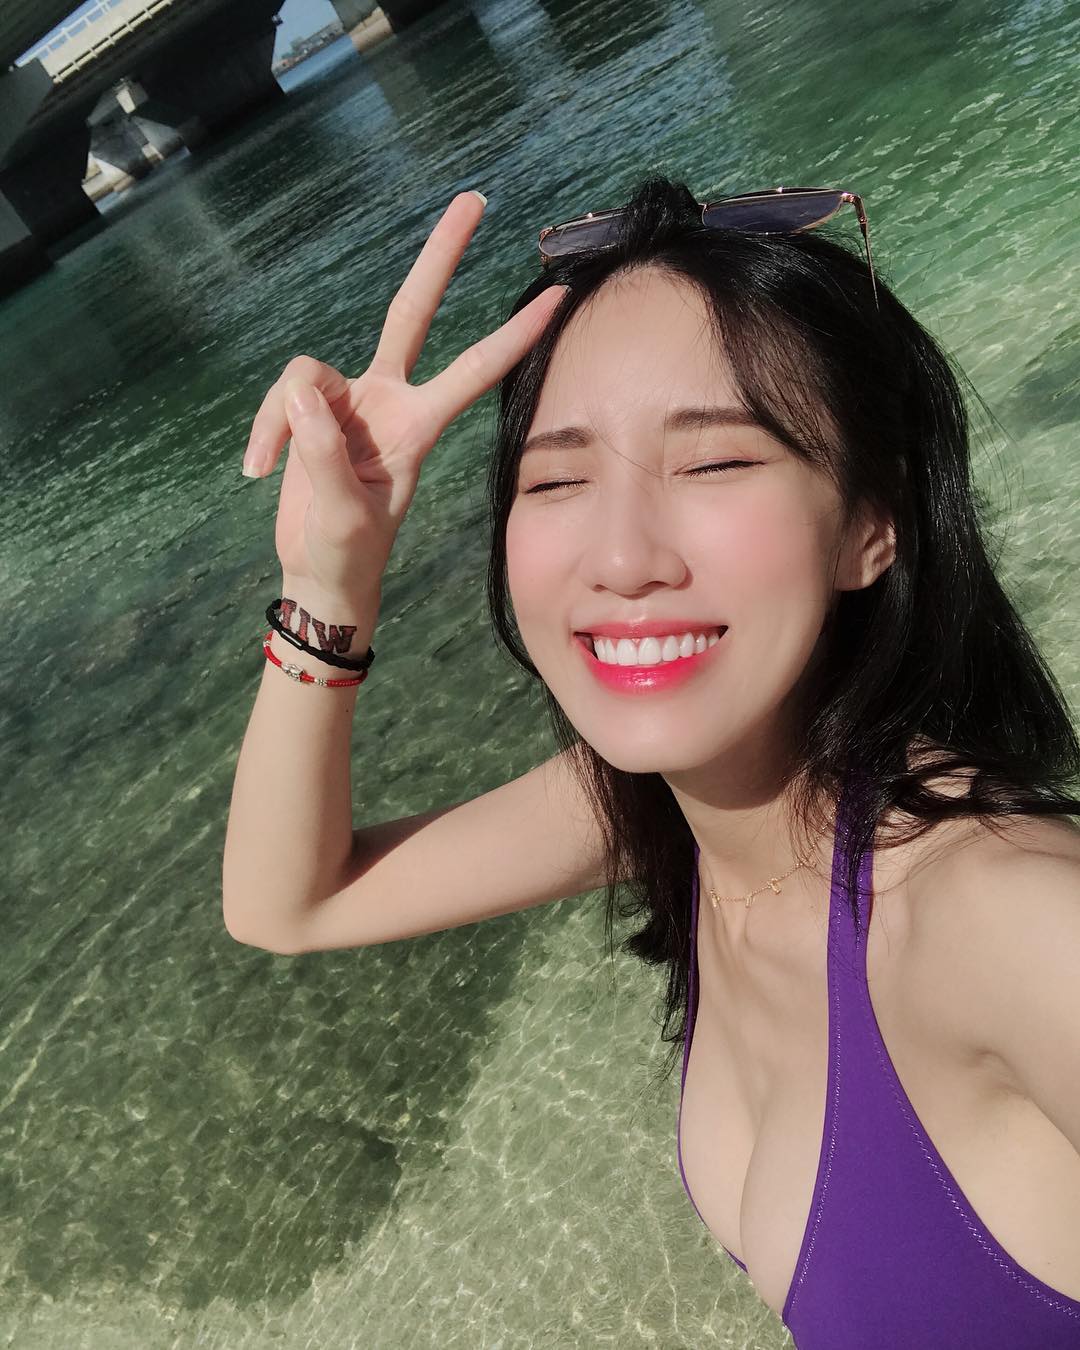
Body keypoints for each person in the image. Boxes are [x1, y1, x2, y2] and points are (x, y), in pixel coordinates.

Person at [222, 178, 1080, 1347]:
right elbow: (288, 904)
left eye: (715, 463)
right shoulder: (676, 806)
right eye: (556, 479)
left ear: (871, 522)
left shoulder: (1017, 924)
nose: (622, 558)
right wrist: (331, 579)